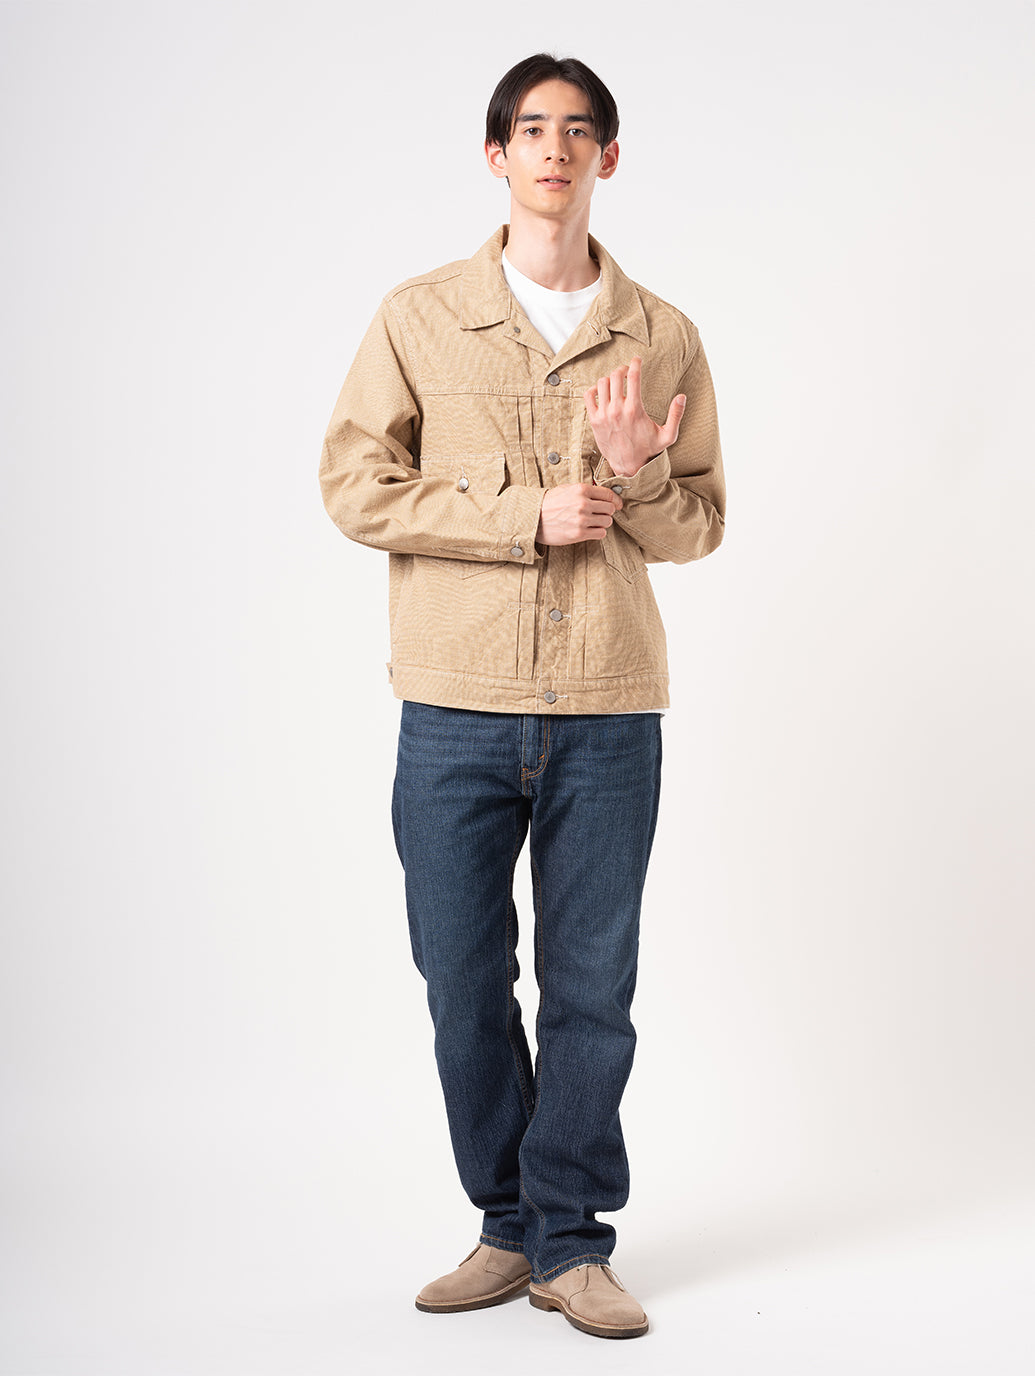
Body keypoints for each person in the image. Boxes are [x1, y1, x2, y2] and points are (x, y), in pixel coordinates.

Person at [319, 52, 725, 1340]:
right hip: (455, 705)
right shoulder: (419, 317)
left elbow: (701, 524)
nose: (556, 148)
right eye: (532, 128)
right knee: (461, 979)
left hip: (608, 706)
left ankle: (571, 1240)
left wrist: (635, 475)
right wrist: (520, 515)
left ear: (610, 157)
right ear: (497, 155)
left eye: (579, 129)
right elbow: (354, 486)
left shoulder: (663, 336)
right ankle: (507, 1223)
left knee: (593, 988)